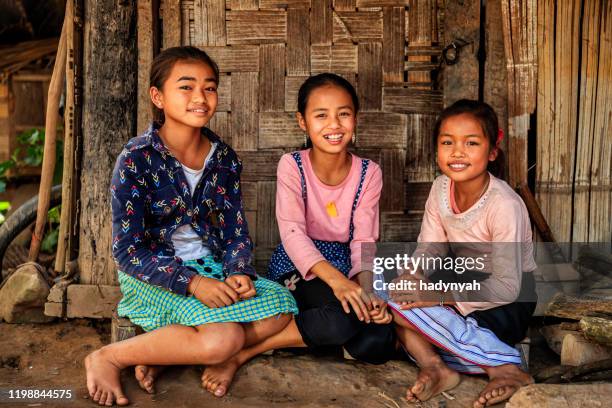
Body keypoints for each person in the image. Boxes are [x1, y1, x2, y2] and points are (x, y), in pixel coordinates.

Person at [84, 46, 298, 406]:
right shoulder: (136, 159)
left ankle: (168, 354)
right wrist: (194, 283)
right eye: (186, 87)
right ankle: (109, 356)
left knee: (281, 307)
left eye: (209, 87)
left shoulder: (225, 159)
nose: (200, 97)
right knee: (222, 339)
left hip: (211, 267)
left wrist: (238, 271)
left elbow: (234, 232)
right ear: (158, 96)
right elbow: (128, 251)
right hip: (155, 273)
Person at [201, 73, 398, 396]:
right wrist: (337, 283)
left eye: (343, 114)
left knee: (378, 341)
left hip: (347, 267)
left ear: (356, 119)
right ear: (302, 122)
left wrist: (367, 289)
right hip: (299, 266)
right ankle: (240, 353)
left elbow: (364, 240)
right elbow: (293, 235)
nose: (334, 124)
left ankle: (305, 334)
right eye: (321, 115)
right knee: (341, 320)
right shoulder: (292, 165)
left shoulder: (369, 172)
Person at [385, 99, 536, 407]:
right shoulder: (440, 188)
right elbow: (431, 246)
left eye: (471, 143)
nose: (457, 152)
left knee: (402, 312)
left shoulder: (503, 205)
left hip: (504, 302)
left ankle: (503, 366)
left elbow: (507, 286)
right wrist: (413, 277)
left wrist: (435, 296)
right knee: (388, 283)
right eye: (447, 142)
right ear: (436, 149)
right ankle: (436, 365)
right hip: (459, 281)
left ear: (492, 151)